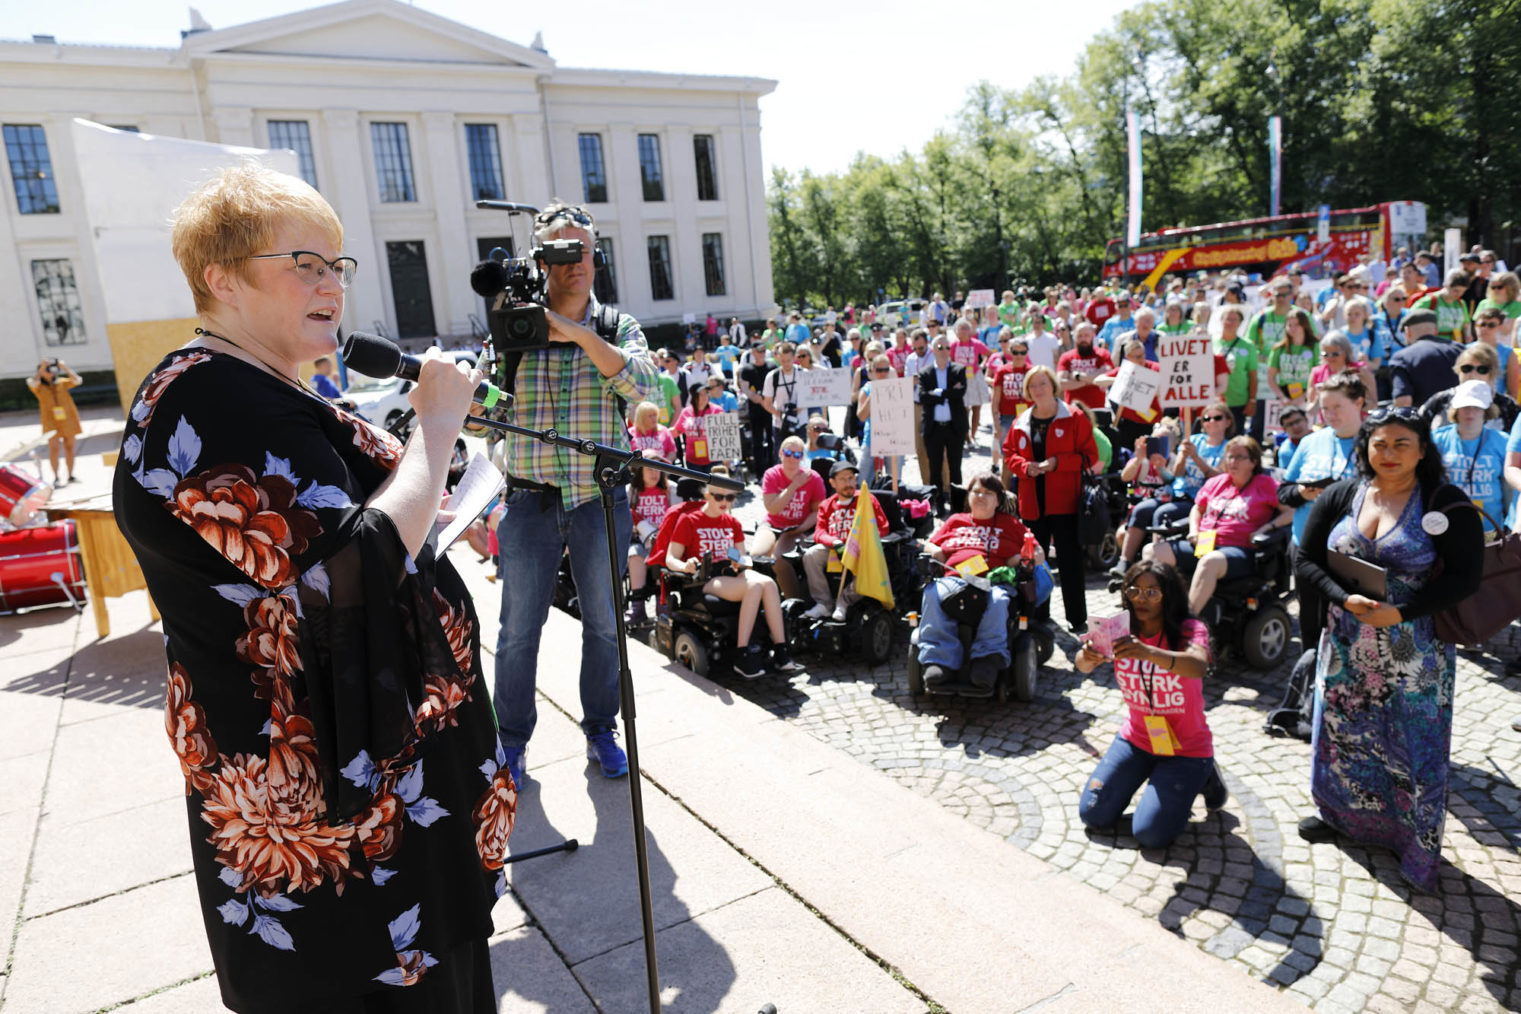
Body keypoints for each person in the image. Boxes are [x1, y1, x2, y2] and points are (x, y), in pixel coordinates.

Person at [115, 163, 510, 1011]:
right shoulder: (207, 401)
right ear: (221, 278)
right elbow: (351, 569)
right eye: (305, 263)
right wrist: (435, 433)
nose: (331, 284)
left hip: (364, 784)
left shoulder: (253, 385)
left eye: (338, 265)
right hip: (333, 815)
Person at [492, 200, 659, 787]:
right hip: (530, 497)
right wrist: (468, 403)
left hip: (598, 498)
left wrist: (575, 332)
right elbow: (491, 414)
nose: (575, 263)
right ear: (540, 260)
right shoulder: (514, 331)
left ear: (597, 256)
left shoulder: (616, 326)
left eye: (584, 250)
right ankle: (508, 743)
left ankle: (600, 729)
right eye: (561, 252)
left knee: (607, 624)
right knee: (518, 630)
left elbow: (643, 385)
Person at [1294, 407, 1483, 890]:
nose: (1390, 453)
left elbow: (1467, 578)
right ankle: (1342, 817)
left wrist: (1400, 612)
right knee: (1342, 734)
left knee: (1413, 747)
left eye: (1402, 443)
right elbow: (1305, 559)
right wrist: (1341, 597)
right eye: (1380, 443)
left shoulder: (1445, 503)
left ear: (1423, 449)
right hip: (1345, 642)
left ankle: (1412, 844)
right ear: (1366, 448)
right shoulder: (1342, 493)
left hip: (1414, 652)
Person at [1074, 560, 1224, 848]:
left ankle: (1205, 777)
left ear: (1169, 595)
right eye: (1134, 590)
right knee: (1093, 814)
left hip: (1186, 749)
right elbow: (1081, 665)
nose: (1141, 598)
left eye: (1152, 592)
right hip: (1138, 740)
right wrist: (1088, 657)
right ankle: (1162, 788)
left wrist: (1147, 651)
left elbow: (1197, 665)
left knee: (1150, 834)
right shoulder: (1119, 629)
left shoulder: (1189, 629)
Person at [663, 466, 804, 678]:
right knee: (755, 586)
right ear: (707, 494)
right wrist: (685, 565)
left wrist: (740, 562)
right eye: (719, 496)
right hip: (705, 578)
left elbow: (741, 556)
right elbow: (670, 557)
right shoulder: (689, 520)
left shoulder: (733, 523)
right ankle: (743, 653)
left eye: (729, 498)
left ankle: (781, 650)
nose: (724, 502)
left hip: (732, 573)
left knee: (769, 583)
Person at [918, 471, 1044, 688]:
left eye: (988, 493)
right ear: (968, 496)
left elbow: (1038, 551)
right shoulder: (956, 520)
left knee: (998, 600)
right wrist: (936, 550)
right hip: (955, 579)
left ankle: (987, 658)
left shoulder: (1010, 524)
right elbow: (928, 543)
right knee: (931, 593)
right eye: (976, 491)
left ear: (998, 500)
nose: (980, 496)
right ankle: (939, 660)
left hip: (993, 582)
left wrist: (1020, 559)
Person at [1147, 436, 1291, 618]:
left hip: (1239, 550)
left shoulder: (1266, 484)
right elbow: (1197, 509)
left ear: (1253, 462)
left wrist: (1268, 527)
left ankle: (1187, 622)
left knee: (1210, 561)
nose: (1233, 461)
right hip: (1204, 543)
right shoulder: (1217, 481)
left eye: (1239, 457)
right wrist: (1193, 530)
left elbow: (1290, 512)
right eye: (1230, 457)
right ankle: (1158, 612)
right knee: (1152, 551)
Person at [1004, 366, 1100, 633]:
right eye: (1033, 385)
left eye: (1043, 383)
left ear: (1054, 386)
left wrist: (1058, 463)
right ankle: (1038, 614)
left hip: (1065, 502)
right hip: (1032, 503)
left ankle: (1077, 617)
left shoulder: (1075, 417)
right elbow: (1009, 453)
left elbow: (1090, 456)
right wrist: (1024, 467)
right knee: (1035, 562)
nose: (1038, 389)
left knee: (1070, 562)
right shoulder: (1021, 420)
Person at [1280, 371, 1367, 651]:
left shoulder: (1375, 442)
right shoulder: (1310, 441)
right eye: (1324, 408)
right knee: (1310, 620)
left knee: (1349, 624)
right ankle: (1310, 675)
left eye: (1337, 407)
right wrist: (1302, 493)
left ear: (1359, 403)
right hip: (1306, 546)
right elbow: (1284, 491)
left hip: (1352, 553)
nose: (1329, 414)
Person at [1113, 407, 1227, 578]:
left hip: (1200, 501)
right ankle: (1125, 564)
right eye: (1206, 418)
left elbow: (1219, 478)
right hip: (1176, 494)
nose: (1211, 421)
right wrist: (1145, 459)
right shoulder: (1194, 439)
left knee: (1162, 513)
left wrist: (1196, 458)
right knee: (1142, 509)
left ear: (1228, 422)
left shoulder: (1228, 447)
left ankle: (1157, 570)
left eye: (1217, 418)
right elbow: (1176, 474)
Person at [800, 460, 889, 621]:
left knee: (870, 561)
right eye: (842, 479)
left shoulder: (867, 499)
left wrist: (863, 543)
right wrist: (834, 542)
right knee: (811, 555)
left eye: (851, 478)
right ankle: (824, 604)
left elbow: (883, 527)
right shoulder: (827, 505)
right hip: (835, 548)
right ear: (832, 483)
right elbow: (819, 532)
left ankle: (844, 601)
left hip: (861, 549)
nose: (848, 483)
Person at [1431, 381, 1513, 536]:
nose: (1470, 412)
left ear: (1486, 411)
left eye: (1476, 407)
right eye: (1465, 407)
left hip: (1491, 528)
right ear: (1456, 410)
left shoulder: (1502, 441)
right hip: (1446, 526)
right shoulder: (1437, 440)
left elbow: (1509, 488)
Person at [753, 434, 826, 599]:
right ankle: (765, 596)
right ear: (780, 453)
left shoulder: (813, 478)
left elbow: (817, 511)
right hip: (773, 523)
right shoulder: (772, 474)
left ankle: (793, 599)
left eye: (797, 454)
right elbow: (772, 508)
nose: (792, 458)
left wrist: (801, 529)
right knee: (756, 556)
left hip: (797, 527)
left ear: (802, 457)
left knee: (779, 559)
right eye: (788, 453)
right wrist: (794, 485)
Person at [1417, 341, 1521, 435]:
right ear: (1458, 370)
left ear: (1492, 373)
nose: (1473, 374)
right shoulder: (1440, 400)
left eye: (1482, 369)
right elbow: (1417, 428)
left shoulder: (1507, 406)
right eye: (1467, 368)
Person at [918, 334, 969, 510]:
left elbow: (960, 393)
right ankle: (937, 505)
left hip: (954, 427)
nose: (945, 351)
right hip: (934, 428)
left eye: (948, 348)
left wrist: (937, 393)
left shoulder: (958, 369)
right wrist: (947, 393)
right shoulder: (925, 373)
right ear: (933, 350)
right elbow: (922, 396)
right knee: (935, 468)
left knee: (956, 468)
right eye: (941, 347)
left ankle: (957, 505)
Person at [626, 459, 677, 625]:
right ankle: (637, 606)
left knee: (661, 555)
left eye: (658, 470)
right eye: (649, 470)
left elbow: (679, 518)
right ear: (640, 471)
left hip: (665, 540)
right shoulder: (631, 490)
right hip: (639, 539)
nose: (654, 474)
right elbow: (622, 518)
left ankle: (662, 606)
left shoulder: (671, 489)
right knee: (635, 556)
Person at [1390, 308, 1462, 408]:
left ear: (1408, 332)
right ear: (1436, 330)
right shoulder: (1460, 349)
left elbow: (1403, 402)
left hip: (1425, 420)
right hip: (1462, 416)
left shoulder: (1402, 357)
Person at [26, 357, 83, 484]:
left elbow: (77, 380)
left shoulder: (62, 382)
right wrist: (41, 367)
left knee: (69, 447)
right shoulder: (38, 386)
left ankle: (70, 475)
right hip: (50, 421)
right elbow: (31, 383)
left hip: (68, 419)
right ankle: (56, 477)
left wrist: (64, 367)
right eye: (47, 370)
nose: (51, 372)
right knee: (54, 449)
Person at [1307, 331, 1375, 424]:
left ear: (1346, 352)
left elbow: (1373, 404)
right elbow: (1310, 411)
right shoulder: (1317, 373)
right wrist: (1320, 398)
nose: (1330, 357)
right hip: (1328, 425)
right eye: (1325, 354)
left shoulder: (1360, 370)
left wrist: (1348, 402)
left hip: (1357, 424)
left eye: (1335, 354)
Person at [857, 353, 902, 491]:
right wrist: (873, 394)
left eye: (886, 370)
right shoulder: (866, 389)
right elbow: (861, 416)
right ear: (872, 371)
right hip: (872, 438)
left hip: (892, 438)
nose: (883, 374)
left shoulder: (897, 388)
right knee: (862, 479)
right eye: (879, 370)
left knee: (894, 481)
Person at [950, 318, 992, 451]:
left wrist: (982, 365)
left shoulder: (976, 343)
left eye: (966, 328)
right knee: (963, 410)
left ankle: (973, 436)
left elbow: (988, 354)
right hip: (960, 379)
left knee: (976, 408)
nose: (963, 331)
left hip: (975, 378)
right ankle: (965, 436)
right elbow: (950, 359)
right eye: (961, 328)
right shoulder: (954, 345)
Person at [990, 337, 1033, 468]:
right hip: (1007, 418)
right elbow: (995, 399)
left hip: (1028, 417)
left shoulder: (1032, 371)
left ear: (1027, 352)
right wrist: (996, 424)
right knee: (1007, 456)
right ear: (1010, 352)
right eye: (1015, 352)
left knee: (1028, 454)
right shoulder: (1002, 371)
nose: (1019, 356)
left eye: (1022, 352)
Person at [1267, 308, 1319, 411]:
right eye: (1289, 325)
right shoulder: (1279, 348)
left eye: (1297, 325)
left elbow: (1318, 375)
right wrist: (1282, 397)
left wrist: (1303, 397)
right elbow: (1270, 377)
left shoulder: (1314, 346)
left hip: (1307, 393)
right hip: (1284, 394)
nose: (1292, 328)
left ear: (1304, 325)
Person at [1057, 322, 1115, 411]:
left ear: (1092, 336)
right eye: (1080, 336)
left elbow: (1107, 378)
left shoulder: (1103, 354)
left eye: (1086, 335)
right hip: (1073, 410)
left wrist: (1078, 376)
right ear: (1075, 338)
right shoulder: (1066, 357)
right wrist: (1093, 380)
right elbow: (1061, 383)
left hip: (1097, 409)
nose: (1083, 339)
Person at [673, 381, 724, 474]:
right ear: (694, 397)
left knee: (713, 488)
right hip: (693, 461)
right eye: (701, 394)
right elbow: (676, 431)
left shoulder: (717, 411)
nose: (705, 397)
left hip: (714, 459)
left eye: (706, 393)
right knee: (696, 487)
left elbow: (726, 433)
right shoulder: (686, 412)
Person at [739, 343, 776, 472]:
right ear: (753, 352)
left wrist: (767, 401)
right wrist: (757, 398)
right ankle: (759, 471)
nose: (762, 354)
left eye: (764, 351)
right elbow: (745, 388)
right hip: (755, 409)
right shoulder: (747, 369)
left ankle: (774, 466)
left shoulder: (772, 366)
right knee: (757, 441)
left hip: (771, 408)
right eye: (759, 351)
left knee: (773, 439)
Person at [1410, 269, 1473, 343]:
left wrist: (1467, 336)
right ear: (1446, 285)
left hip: (1455, 345)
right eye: (1456, 290)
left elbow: (1466, 323)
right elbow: (1410, 317)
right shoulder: (1430, 300)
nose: (1459, 294)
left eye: (1463, 291)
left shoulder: (1461, 303)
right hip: (1433, 344)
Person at [1473, 305, 1520, 400]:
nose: (1484, 328)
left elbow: (1512, 392)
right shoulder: (1463, 350)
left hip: (1496, 405)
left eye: (1491, 325)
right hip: (1469, 403)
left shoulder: (1509, 353)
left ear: (1500, 327)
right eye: (1482, 324)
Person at [761, 341, 805, 442]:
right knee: (780, 456)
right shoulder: (772, 377)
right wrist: (778, 413)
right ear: (778, 358)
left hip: (801, 422)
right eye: (782, 360)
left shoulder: (804, 374)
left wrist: (801, 406)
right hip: (780, 425)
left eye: (788, 360)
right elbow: (767, 403)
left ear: (794, 358)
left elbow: (812, 396)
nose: (786, 363)